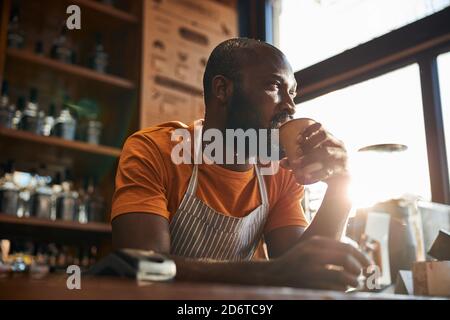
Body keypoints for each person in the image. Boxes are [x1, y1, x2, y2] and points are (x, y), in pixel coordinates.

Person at [111, 38, 370, 290]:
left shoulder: (281, 171)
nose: (290, 106)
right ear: (223, 90)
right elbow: (142, 267)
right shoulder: (155, 150)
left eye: (292, 93)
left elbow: (305, 271)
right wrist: (275, 272)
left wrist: (341, 185)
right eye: (273, 86)